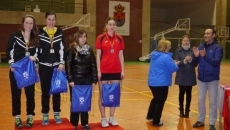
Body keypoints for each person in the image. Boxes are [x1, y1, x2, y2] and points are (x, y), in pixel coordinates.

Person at [6, 15, 39, 128]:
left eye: (31, 23)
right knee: (16, 95)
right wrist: (11, 64)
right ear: (23, 23)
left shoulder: (35, 38)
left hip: (29, 70)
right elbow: (9, 50)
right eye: (27, 22)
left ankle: (30, 116)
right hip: (16, 70)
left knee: (30, 94)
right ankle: (17, 117)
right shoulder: (15, 36)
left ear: (33, 25)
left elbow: (38, 54)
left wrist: (35, 59)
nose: (29, 25)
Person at [95, 17, 125, 127]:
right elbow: (98, 55)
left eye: (114, 24)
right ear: (106, 25)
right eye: (110, 24)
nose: (112, 26)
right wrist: (98, 71)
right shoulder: (101, 38)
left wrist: (122, 70)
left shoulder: (120, 38)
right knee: (102, 95)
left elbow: (121, 55)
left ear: (115, 26)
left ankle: (111, 117)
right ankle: (103, 118)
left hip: (116, 70)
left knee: (114, 94)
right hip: (103, 70)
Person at [38, 10, 66, 125]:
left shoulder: (59, 32)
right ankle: (45, 114)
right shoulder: (40, 33)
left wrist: (62, 63)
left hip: (57, 68)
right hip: (44, 67)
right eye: (49, 19)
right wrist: (37, 64)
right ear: (45, 20)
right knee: (45, 92)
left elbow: (62, 49)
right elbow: (37, 50)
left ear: (56, 20)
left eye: (53, 19)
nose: (51, 22)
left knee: (56, 92)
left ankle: (56, 113)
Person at [66, 30, 98, 130]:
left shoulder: (89, 49)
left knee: (85, 101)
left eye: (84, 37)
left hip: (87, 79)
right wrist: (70, 79)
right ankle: (74, 123)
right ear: (77, 38)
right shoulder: (72, 49)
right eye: (81, 37)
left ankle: (85, 123)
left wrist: (94, 80)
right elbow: (68, 65)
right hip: (75, 80)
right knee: (75, 101)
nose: (83, 39)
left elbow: (93, 65)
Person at [192, 29, 223, 130]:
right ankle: (200, 120)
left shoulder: (218, 48)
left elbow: (216, 62)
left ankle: (212, 123)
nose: (205, 35)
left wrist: (204, 56)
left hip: (212, 79)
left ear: (213, 35)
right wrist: (195, 57)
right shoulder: (201, 46)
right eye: (204, 33)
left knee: (213, 101)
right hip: (201, 78)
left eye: (208, 33)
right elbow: (195, 63)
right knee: (200, 100)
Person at [146, 39, 180, 126]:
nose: (170, 47)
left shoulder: (154, 55)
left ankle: (150, 116)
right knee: (160, 101)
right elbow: (173, 68)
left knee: (155, 99)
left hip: (152, 82)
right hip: (161, 83)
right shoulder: (166, 57)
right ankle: (156, 121)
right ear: (165, 47)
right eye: (169, 46)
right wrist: (176, 64)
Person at [174, 35, 198, 118]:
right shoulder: (177, 51)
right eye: (184, 40)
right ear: (182, 42)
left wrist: (191, 60)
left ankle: (187, 110)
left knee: (189, 93)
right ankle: (181, 110)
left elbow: (195, 64)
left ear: (189, 42)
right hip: (181, 74)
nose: (186, 42)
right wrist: (184, 60)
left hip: (190, 74)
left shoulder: (192, 51)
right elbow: (176, 63)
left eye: (187, 40)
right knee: (181, 93)